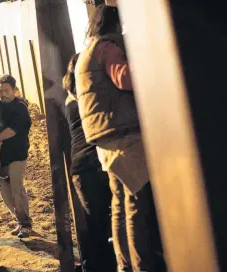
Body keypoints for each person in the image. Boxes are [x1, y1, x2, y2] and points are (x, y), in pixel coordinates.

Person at [75, 5, 165, 272]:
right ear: (115, 25)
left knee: (121, 204)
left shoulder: (87, 52)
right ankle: (142, 266)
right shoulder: (107, 46)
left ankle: (125, 265)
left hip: (104, 137)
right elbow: (125, 77)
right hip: (122, 135)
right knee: (137, 204)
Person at [63, 53, 116, 272]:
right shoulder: (90, 94)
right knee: (118, 218)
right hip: (98, 160)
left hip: (81, 167)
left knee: (97, 225)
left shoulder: (69, 99)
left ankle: (92, 267)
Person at [0, 74, 32, 238]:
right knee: (5, 192)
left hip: (18, 155)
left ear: (14, 90)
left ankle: (26, 224)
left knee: (16, 189)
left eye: (6, 90)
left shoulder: (20, 107)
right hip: (0, 157)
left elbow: (13, 130)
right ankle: (19, 221)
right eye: (0, 91)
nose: (3, 94)